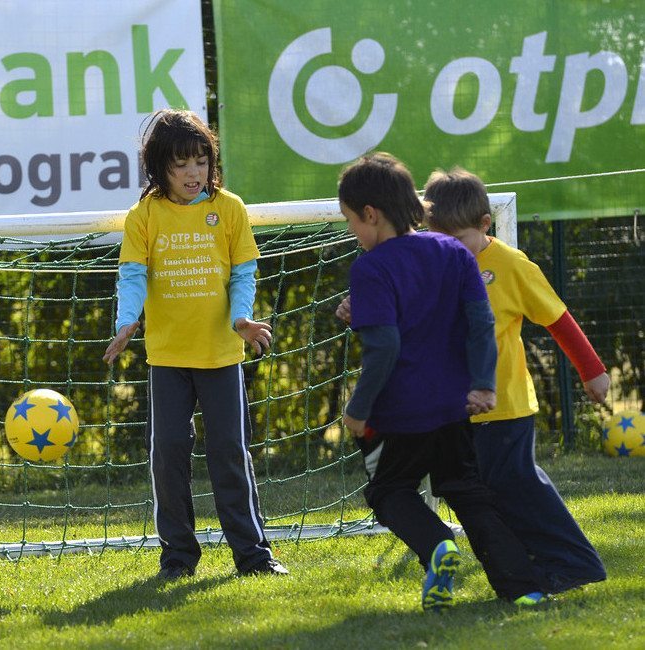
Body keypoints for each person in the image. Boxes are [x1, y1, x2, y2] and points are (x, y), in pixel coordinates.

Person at [337, 152, 547, 612]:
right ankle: (523, 587)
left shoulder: (370, 267)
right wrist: (484, 385)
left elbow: (385, 347)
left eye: (351, 221)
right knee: (468, 493)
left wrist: (358, 408)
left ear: (370, 214)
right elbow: (480, 322)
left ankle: (436, 545)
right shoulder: (453, 251)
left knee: (389, 491)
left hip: (398, 413)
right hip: (455, 406)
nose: (353, 231)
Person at [102, 109, 288, 580]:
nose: (193, 173)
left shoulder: (229, 209)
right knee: (167, 455)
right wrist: (127, 322)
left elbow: (244, 272)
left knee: (229, 454)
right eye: (181, 164)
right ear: (159, 167)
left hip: (221, 357)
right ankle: (178, 558)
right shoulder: (143, 215)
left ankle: (253, 556)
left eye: (201, 161)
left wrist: (241, 318)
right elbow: (132, 274)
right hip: (166, 359)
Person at [421, 166, 608, 594]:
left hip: (505, 404)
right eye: (441, 240)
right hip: (456, 409)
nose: (451, 250)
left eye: (460, 241)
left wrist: (591, 370)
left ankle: (575, 562)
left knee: (516, 484)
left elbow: (556, 317)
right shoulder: (436, 263)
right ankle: (528, 568)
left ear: (486, 225)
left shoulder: (509, 264)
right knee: (484, 493)